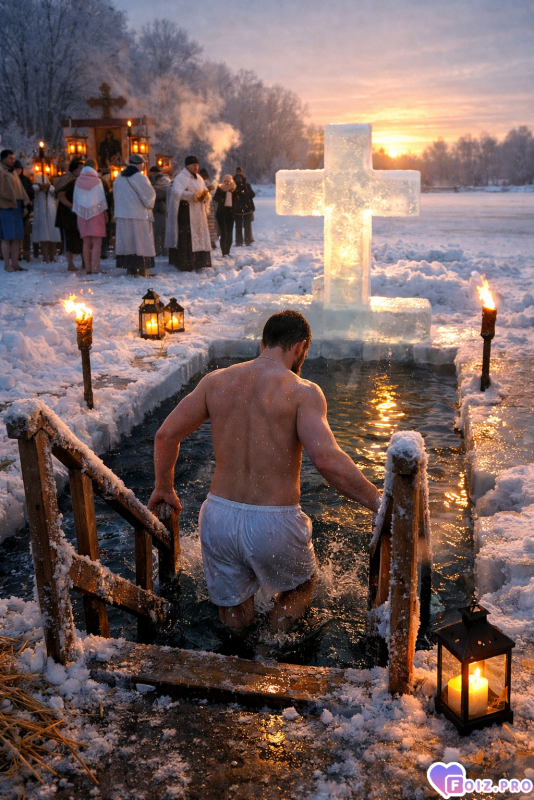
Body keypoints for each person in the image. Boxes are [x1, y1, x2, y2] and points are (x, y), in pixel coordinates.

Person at [148, 310, 381, 632]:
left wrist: (164, 487)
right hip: (274, 520)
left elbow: (165, 435)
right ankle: (276, 651)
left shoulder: (215, 381)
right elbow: (326, 460)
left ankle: (237, 661)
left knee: (232, 607)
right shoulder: (303, 392)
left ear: (262, 343)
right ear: (300, 347)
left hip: (218, 515)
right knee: (298, 589)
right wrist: (378, 501)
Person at [165, 155, 212, 271]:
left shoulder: (199, 178)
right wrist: (193, 196)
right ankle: (186, 262)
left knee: (199, 236)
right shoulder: (181, 177)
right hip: (186, 213)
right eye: (193, 164)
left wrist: (206, 196)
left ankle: (199, 261)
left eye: (197, 164)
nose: (196, 167)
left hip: (198, 214)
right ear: (187, 166)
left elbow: (205, 191)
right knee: (187, 237)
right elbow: (176, 192)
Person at [113, 154, 156, 276]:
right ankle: (143, 268)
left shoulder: (119, 178)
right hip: (139, 215)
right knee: (141, 243)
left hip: (123, 215)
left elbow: (116, 195)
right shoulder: (140, 178)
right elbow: (150, 195)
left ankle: (130, 267)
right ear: (140, 164)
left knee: (128, 243)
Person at [73, 158, 108, 275]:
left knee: (86, 243)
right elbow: (101, 201)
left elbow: (76, 199)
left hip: (82, 214)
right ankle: (95, 268)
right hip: (96, 213)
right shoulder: (98, 181)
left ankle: (88, 268)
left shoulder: (78, 180)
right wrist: (105, 214)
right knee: (97, 243)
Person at [0, 149, 29, 272]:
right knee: (7, 237)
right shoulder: (1, 171)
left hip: (17, 205)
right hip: (6, 206)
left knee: (17, 237)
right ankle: (7, 264)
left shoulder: (13, 172)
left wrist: (24, 204)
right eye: (9, 158)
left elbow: (20, 189)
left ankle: (15, 263)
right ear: (3, 159)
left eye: (13, 158)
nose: (12, 161)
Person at [55, 159, 84, 271]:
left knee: (80, 237)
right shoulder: (67, 179)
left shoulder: (78, 179)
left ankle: (84, 262)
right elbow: (61, 195)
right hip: (67, 213)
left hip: (76, 212)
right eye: (80, 168)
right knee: (69, 239)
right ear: (75, 169)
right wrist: (70, 205)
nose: (82, 170)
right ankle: (70, 264)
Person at [14, 160, 35, 263]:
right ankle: (16, 255)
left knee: (26, 234)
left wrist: (27, 206)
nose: (18, 170)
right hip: (15, 209)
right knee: (16, 234)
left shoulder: (25, 180)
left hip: (25, 209)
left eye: (19, 169)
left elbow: (30, 194)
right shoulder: (11, 181)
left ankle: (26, 255)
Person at [148, 165, 171, 256]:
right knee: (159, 231)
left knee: (159, 231)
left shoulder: (163, 182)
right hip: (160, 209)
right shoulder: (164, 181)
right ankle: (161, 250)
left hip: (161, 209)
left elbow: (160, 194)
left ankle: (161, 250)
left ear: (154, 173)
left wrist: (153, 190)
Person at [213, 174, 236, 257]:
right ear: (223, 182)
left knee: (229, 234)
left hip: (231, 214)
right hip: (221, 214)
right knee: (224, 233)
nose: (227, 183)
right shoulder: (220, 189)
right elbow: (215, 198)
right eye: (225, 181)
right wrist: (222, 195)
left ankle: (228, 252)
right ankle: (224, 253)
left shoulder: (234, 190)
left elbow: (237, 201)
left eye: (228, 181)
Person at [233, 172, 255, 247]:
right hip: (243, 209)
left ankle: (242, 241)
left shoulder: (240, 186)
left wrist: (245, 193)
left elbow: (252, 195)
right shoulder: (236, 187)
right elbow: (252, 195)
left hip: (242, 210)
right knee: (244, 226)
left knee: (241, 226)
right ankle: (245, 241)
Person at [199, 168, 218, 249]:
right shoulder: (209, 183)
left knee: (206, 224)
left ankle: (208, 242)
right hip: (211, 207)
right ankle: (212, 241)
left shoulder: (201, 183)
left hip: (205, 207)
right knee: (211, 225)